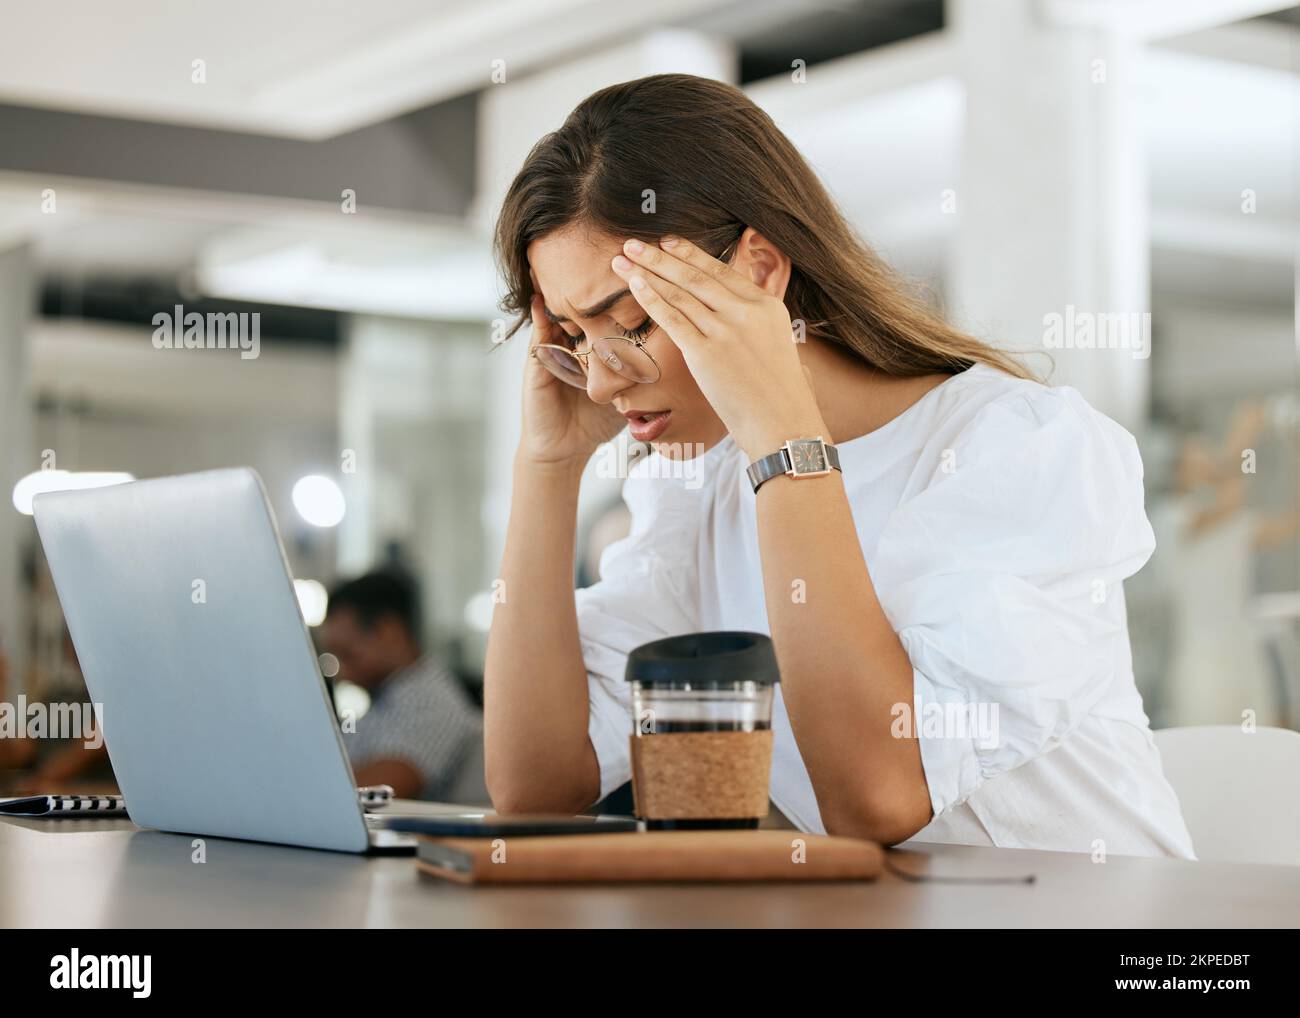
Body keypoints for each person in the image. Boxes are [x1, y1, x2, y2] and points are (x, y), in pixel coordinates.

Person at [482, 73, 1195, 858]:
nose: (604, 377)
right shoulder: (700, 488)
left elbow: (879, 797)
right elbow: (535, 786)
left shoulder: (1020, 446)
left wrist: (781, 433)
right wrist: (546, 467)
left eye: (630, 322)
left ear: (756, 271)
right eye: (576, 340)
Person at [321, 571, 484, 801]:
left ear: (389, 632)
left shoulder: (428, 702)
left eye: (348, 655)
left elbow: (380, 789)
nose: (340, 674)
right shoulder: (384, 701)